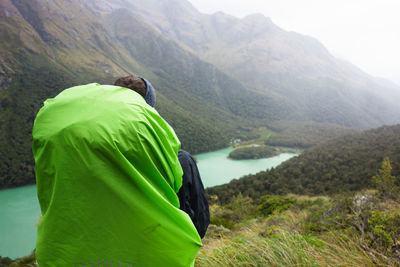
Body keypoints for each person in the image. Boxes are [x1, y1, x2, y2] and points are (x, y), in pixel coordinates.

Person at [32, 74, 207, 266]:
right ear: (147, 110)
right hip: (152, 254)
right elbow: (198, 220)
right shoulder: (177, 159)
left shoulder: (76, 153)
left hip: (70, 256)